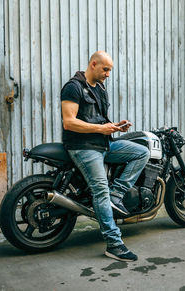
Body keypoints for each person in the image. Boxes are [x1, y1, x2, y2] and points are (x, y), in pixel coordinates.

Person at [60, 51, 150, 261]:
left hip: (104, 144)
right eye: (106, 69)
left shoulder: (100, 89)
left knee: (141, 152)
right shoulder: (74, 87)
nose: (108, 74)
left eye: (110, 70)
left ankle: (116, 195)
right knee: (100, 191)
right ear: (93, 64)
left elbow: (99, 121)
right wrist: (101, 129)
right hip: (83, 147)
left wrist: (115, 127)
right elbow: (69, 122)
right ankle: (114, 244)